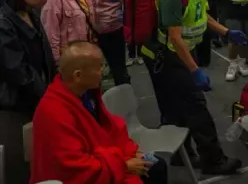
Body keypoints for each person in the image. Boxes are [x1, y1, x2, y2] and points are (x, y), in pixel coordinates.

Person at [140, 0, 246, 175]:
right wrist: (194, 70)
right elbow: (175, 38)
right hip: (172, 58)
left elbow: (203, 16)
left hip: (185, 53)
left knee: (179, 108)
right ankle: (213, 160)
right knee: (197, 108)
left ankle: (182, 154)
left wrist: (226, 32)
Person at [30, 41, 168, 184]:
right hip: (83, 175)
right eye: (99, 67)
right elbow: (73, 166)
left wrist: (130, 153)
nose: (103, 72)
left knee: (157, 165)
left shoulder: (86, 94)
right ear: (78, 75)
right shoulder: (54, 111)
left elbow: (110, 130)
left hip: (104, 160)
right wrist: (124, 165)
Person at [0, 0, 60, 183]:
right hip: (14, 107)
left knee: (39, 160)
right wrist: (49, 97)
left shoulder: (32, 14)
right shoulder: (4, 24)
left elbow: (46, 58)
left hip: (37, 101)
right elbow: (17, 70)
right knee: (18, 164)